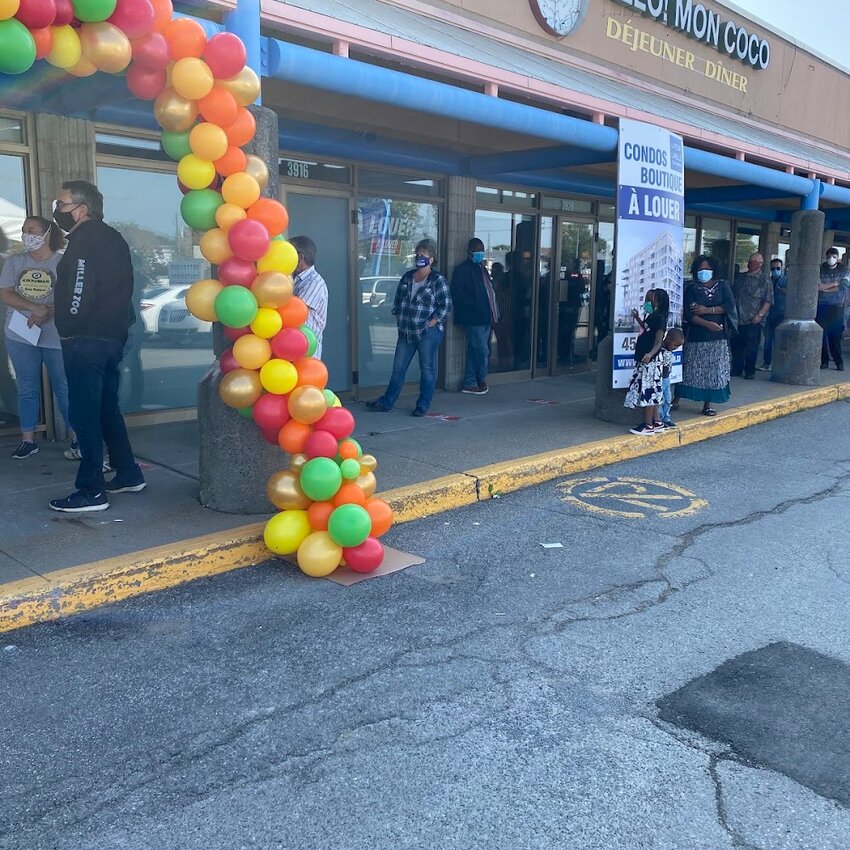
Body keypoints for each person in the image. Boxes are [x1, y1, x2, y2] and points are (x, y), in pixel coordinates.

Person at [49, 179, 145, 513]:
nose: (57, 211)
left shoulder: (85, 240)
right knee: (105, 408)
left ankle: (91, 490)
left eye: (61, 205)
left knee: (85, 413)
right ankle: (128, 473)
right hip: (110, 336)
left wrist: (66, 329)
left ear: (81, 209)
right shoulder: (112, 238)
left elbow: (79, 289)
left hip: (86, 339)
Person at [0, 216, 77, 458]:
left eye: (31, 230)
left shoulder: (62, 262)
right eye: (24, 230)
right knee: (27, 387)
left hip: (56, 334)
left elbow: (72, 296)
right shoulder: (15, 261)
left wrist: (47, 312)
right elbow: (5, 293)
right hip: (21, 334)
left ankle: (77, 437)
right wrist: (34, 308)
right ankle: (28, 440)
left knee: (64, 387)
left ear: (46, 234)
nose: (26, 235)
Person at [365, 238, 451, 417]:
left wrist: (433, 321)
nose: (419, 257)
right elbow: (397, 299)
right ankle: (387, 402)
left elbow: (446, 305)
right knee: (398, 368)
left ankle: (423, 405)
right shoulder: (407, 277)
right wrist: (398, 316)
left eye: (423, 254)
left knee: (427, 368)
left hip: (427, 332)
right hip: (406, 331)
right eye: (418, 254)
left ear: (431, 259)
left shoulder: (437, 280)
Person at [679, 255, 737, 416]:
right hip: (696, 335)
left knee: (713, 371)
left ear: (714, 270)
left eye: (707, 269)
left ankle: (707, 404)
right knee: (690, 368)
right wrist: (707, 324)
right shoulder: (692, 288)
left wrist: (707, 310)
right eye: (700, 269)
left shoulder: (723, 286)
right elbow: (689, 314)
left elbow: (729, 305)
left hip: (718, 337)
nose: (704, 272)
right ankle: (676, 399)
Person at [450, 237, 499, 395]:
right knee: (482, 351)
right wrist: (475, 304)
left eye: (482, 250)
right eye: (477, 250)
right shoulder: (462, 270)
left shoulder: (482, 269)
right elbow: (457, 294)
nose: (480, 253)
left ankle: (469, 382)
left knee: (474, 350)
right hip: (472, 318)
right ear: (469, 251)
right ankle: (481, 378)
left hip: (486, 316)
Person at [624, 288, 668, 435]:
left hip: (651, 361)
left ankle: (648, 425)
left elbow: (658, 341)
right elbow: (647, 328)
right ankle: (657, 421)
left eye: (650, 300)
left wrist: (650, 354)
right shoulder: (652, 316)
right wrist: (637, 318)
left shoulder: (660, 318)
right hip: (645, 358)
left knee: (649, 392)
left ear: (658, 301)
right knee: (652, 391)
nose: (647, 303)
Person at [731, 252, 772, 380]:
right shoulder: (741, 277)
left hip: (753, 319)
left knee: (751, 347)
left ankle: (750, 371)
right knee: (736, 345)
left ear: (760, 264)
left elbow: (768, 300)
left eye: (755, 262)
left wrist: (759, 315)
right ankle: (737, 369)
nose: (752, 264)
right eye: (751, 261)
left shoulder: (764, 280)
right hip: (737, 318)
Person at [289, 235, 328, 360]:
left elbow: (294, 312)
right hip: (291, 347)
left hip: (306, 352)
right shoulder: (294, 279)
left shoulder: (314, 283)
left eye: (290, 253)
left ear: (300, 258)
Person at [817, 247, 849, 371]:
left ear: (838, 258)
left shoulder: (844, 270)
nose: (831, 259)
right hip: (822, 306)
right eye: (829, 256)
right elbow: (817, 286)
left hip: (837, 307)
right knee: (822, 336)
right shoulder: (821, 269)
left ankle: (838, 362)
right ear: (826, 257)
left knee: (835, 337)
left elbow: (843, 286)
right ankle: (824, 361)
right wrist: (835, 284)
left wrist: (826, 289)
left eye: (834, 257)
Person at [758, 257, 786, 371]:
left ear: (782, 268)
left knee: (780, 341)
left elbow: (795, 294)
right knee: (768, 341)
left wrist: (786, 291)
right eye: (773, 269)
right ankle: (767, 363)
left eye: (778, 268)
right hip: (768, 315)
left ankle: (779, 364)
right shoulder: (768, 281)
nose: (775, 271)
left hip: (781, 315)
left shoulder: (786, 280)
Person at [657, 327, 685, 430]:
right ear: (668, 339)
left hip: (666, 378)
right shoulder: (660, 350)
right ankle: (659, 419)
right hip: (660, 378)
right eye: (675, 345)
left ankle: (666, 418)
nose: (676, 348)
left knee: (668, 399)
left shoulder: (669, 350)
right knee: (660, 400)